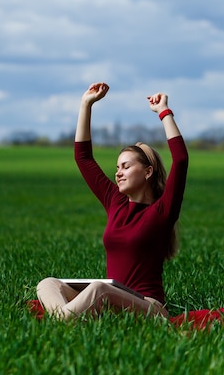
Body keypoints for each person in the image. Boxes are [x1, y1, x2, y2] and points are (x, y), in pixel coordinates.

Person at [36, 82, 189, 321]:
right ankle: (66, 316)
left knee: (99, 289)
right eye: (117, 167)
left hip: (149, 308)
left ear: (147, 172)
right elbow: (83, 158)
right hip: (114, 300)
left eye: (126, 167)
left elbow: (180, 160)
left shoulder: (161, 212)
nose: (118, 173)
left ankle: (63, 319)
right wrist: (86, 104)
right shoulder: (115, 202)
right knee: (48, 283)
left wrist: (164, 112)